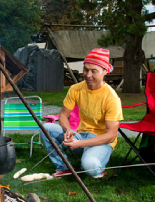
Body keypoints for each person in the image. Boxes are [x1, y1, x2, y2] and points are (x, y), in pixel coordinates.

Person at [39, 48, 123, 178]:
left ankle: (95, 163)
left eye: (94, 71)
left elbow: (111, 136)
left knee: (89, 167)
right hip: (80, 135)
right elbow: (63, 116)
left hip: (101, 141)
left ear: (105, 71)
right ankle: (64, 167)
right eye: (86, 69)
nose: (88, 75)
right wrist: (68, 130)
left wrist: (81, 144)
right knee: (46, 128)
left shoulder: (112, 98)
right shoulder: (76, 89)